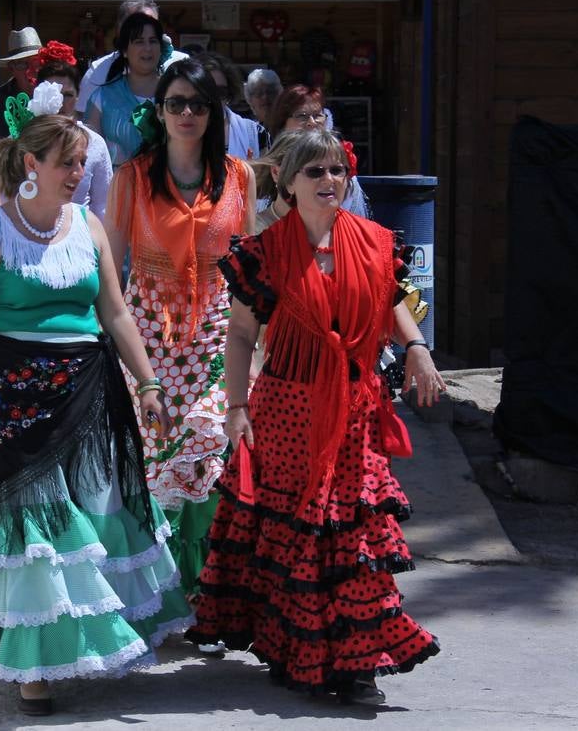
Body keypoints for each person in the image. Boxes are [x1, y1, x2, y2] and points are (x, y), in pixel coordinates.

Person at [0, 103, 194, 715]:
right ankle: (34, 670)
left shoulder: (89, 227)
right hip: (13, 398)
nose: (78, 172)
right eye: (67, 162)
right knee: (38, 530)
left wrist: (151, 384)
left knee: (99, 515)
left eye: (83, 162)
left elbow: (116, 313)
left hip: (89, 390)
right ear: (32, 163)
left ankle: (101, 637)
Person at [188, 127, 443, 706]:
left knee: (354, 537)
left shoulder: (376, 242)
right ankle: (289, 646)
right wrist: (234, 407)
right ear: (286, 181)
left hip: (353, 412)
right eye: (315, 172)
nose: (329, 182)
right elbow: (241, 337)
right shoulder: (262, 253)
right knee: (290, 536)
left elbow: (393, 298)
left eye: (336, 172)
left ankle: (357, 665)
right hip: (286, 412)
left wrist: (418, 349)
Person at [105, 59, 256, 610]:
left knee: (211, 458)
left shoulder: (240, 176)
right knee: (155, 464)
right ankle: (156, 597)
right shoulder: (132, 177)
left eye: (198, 103)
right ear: (160, 111)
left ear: (214, 112)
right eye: (176, 103)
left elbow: (247, 269)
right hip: (150, 344)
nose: (187, 113)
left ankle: (206, 595)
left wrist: (252, 348)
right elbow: (111, 270)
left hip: (215, 340)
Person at [85, 13, 173, 169]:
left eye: (153, 41)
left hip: (170, 186)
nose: (147, 48)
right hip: (118, 188)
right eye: (139, 42)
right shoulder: (102, 98)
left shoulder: (176, 94)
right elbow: (90, 156)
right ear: (124, 50)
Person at [266, 84, 368, 218]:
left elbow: (357, 224)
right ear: (282, 124)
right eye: (302, 116)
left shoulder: (345, 178)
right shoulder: (265, 172)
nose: (312, 122)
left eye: (317, 115)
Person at [75, 0, 188, 116]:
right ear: (120, 30)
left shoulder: (182, 64)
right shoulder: (98, 72)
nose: (145, 29)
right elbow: (85, 126)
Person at [36, 61, 112, 220]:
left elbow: (103, 207)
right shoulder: (22, 140)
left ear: (78, 98)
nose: (60, 102)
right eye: (53, 92)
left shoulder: (95, 143)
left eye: (68, 95)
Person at [0, 27, 43, 157]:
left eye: (36, 63)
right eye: (22, 64)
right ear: (11, 68)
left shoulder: (57, 94)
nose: (30, 70)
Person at [198, 52, 261, 160]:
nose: (213, 97)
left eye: (220, 91)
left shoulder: (254, 133)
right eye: (206, 89)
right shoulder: (178, 130)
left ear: (229, 93)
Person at [243, 68, 282, 152]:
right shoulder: (245, 131)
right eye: (259, 93)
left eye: (270, 91)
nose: (265, 97)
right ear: (250, 100)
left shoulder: (288, 127)